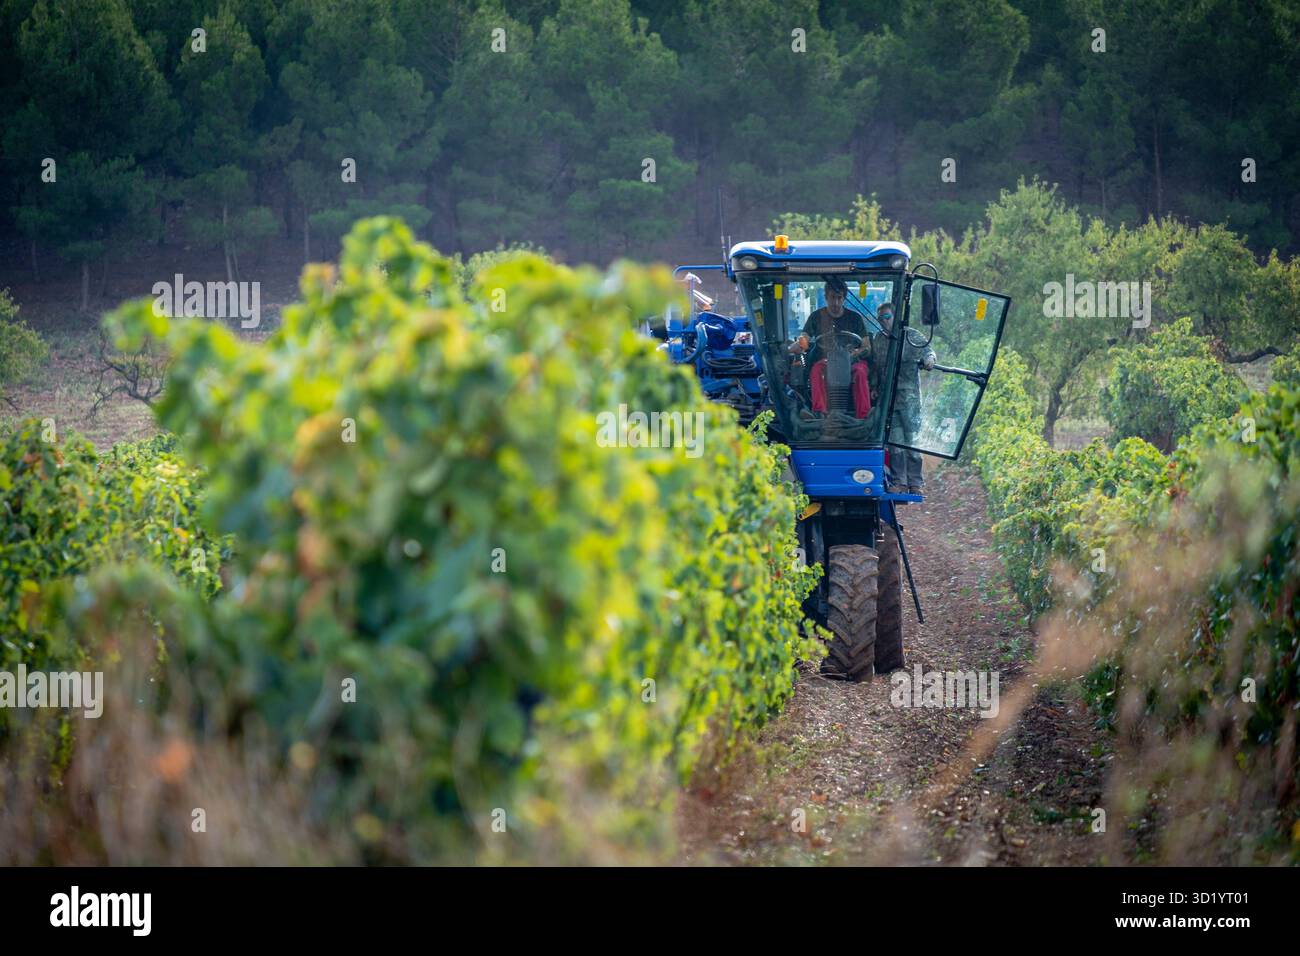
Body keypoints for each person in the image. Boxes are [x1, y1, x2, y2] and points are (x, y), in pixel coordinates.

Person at [870, 301, 936, 494]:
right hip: (889, 401)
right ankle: (899, 482)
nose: (884, 322)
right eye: (880, 318)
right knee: (895, 442)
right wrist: (874, 387)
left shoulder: (911, 336)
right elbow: (875, 368)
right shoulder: (879, 340)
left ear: (895, 316)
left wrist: (929, 360)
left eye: (887, 317)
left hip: (909, 399)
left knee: (912, 440)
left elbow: (928, 352)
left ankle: (915, 483)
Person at [788, 277, 871, 418]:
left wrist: (856, 353)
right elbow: (805, 337)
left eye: (839, 298)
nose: (836, 302)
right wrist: (795, 346)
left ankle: (864, 415)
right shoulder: (816, 317)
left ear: (844, 298)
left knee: (861, 372)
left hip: (852, 361)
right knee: (816, 370)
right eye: (833, 298)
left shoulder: (855, 318)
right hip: (827, 362)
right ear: (826, 297)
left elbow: (866, 345)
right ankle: (820, 412)